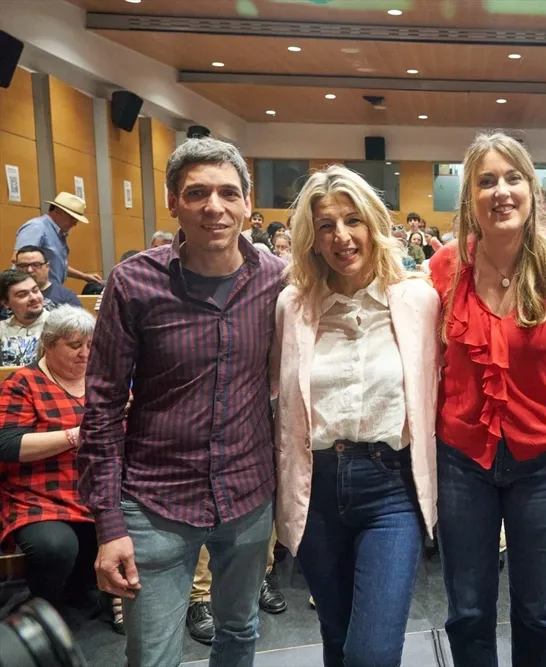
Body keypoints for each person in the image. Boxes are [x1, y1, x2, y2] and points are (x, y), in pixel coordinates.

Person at [78, 137, 285, 667]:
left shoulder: (277, 280)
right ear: (173, 201)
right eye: (197, 193)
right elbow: (100, 409)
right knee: (152, 655)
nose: (213, 207)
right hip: (155, 503)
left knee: (240, 631)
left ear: (246, 201)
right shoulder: (134, 283)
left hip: (247, 494)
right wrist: (109, 524)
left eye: (227, 193)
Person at [428, 132, 546, 667]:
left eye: (512, 178)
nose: (500, 191)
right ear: (469, 197)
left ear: (531, 188)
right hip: (462, 456)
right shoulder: (445, 267)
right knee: (468, 608)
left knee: (537, 607)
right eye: (485, 181)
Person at [271, 165, 439, 667]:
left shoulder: (419, 300)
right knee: (336, 634)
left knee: (372, 652)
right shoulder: (292, 306)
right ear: (312, 238)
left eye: (352, 221)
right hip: (316, 487)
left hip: (390, 488)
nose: (341, 237)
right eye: (326, 225)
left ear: (373, 224)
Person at [0, 306, 124, 632]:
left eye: (90, 345)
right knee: (55, 548)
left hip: (100, 484)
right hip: (40, 491)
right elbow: (8, 446)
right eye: (74, 346)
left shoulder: (104, 380)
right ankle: (46, 611)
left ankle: (109, 592)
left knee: (147, 519)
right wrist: (77, 435)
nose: (85, 353)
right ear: (50, 343)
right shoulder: (23, 383)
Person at [13, 192, 102, 287]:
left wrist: (84, 276)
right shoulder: (36, 227)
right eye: (72, 218)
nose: (75, 223)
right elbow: (17, 259)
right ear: (57, 211)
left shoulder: (57, 233)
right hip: (35, 292)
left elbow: (57, 265)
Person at [0, 270, 48, 366]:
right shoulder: (1, 328)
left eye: (35, 290)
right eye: (22, 295)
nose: (34, 298)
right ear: (5, 303)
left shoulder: (61, 326)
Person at [13, 246, 81, 308]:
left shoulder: (66, 297)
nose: (29, 270)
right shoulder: (9, 295)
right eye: (23, 266)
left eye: (36, 264)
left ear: (47, 267)